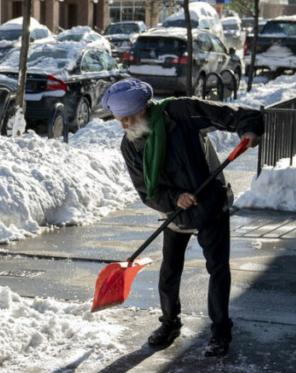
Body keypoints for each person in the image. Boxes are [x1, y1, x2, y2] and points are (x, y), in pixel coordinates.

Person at [101, 78, 263, 356]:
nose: (124, 126)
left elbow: (234, 115)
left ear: (142, 109)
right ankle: (169, 323)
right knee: (169, 271)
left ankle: (220, 332)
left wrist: (248, 130)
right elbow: (145, 191)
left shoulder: (181, 111)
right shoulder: (129, 146)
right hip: (175, 212)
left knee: (217, 269)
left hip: (210, 204)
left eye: (127, 118)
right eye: (119, 121)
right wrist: (174, 197)